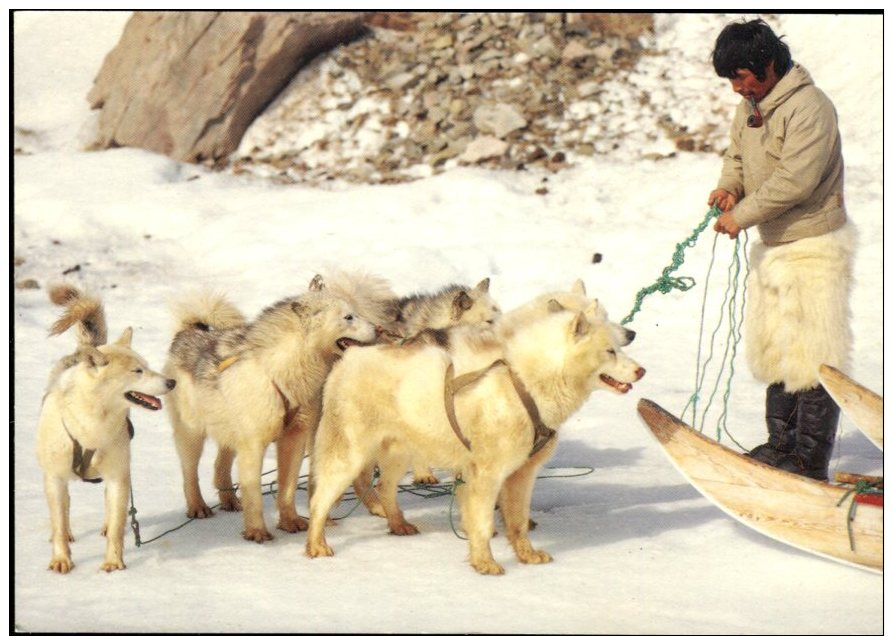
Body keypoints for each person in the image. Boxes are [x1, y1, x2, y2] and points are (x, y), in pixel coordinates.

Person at [707, 18, 856, 481]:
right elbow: (736, 156)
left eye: (742, 77)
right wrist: (729, 187)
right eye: (731, 79)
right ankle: (781, 446)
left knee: (813, 353)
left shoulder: (811, 107)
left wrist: (742, 215)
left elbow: (796, 180)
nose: (736, 88)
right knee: (778, 348)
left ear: (768, 64)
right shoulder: (751, 105)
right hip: (774, 245)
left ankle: (809, 462)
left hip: (814, 243)